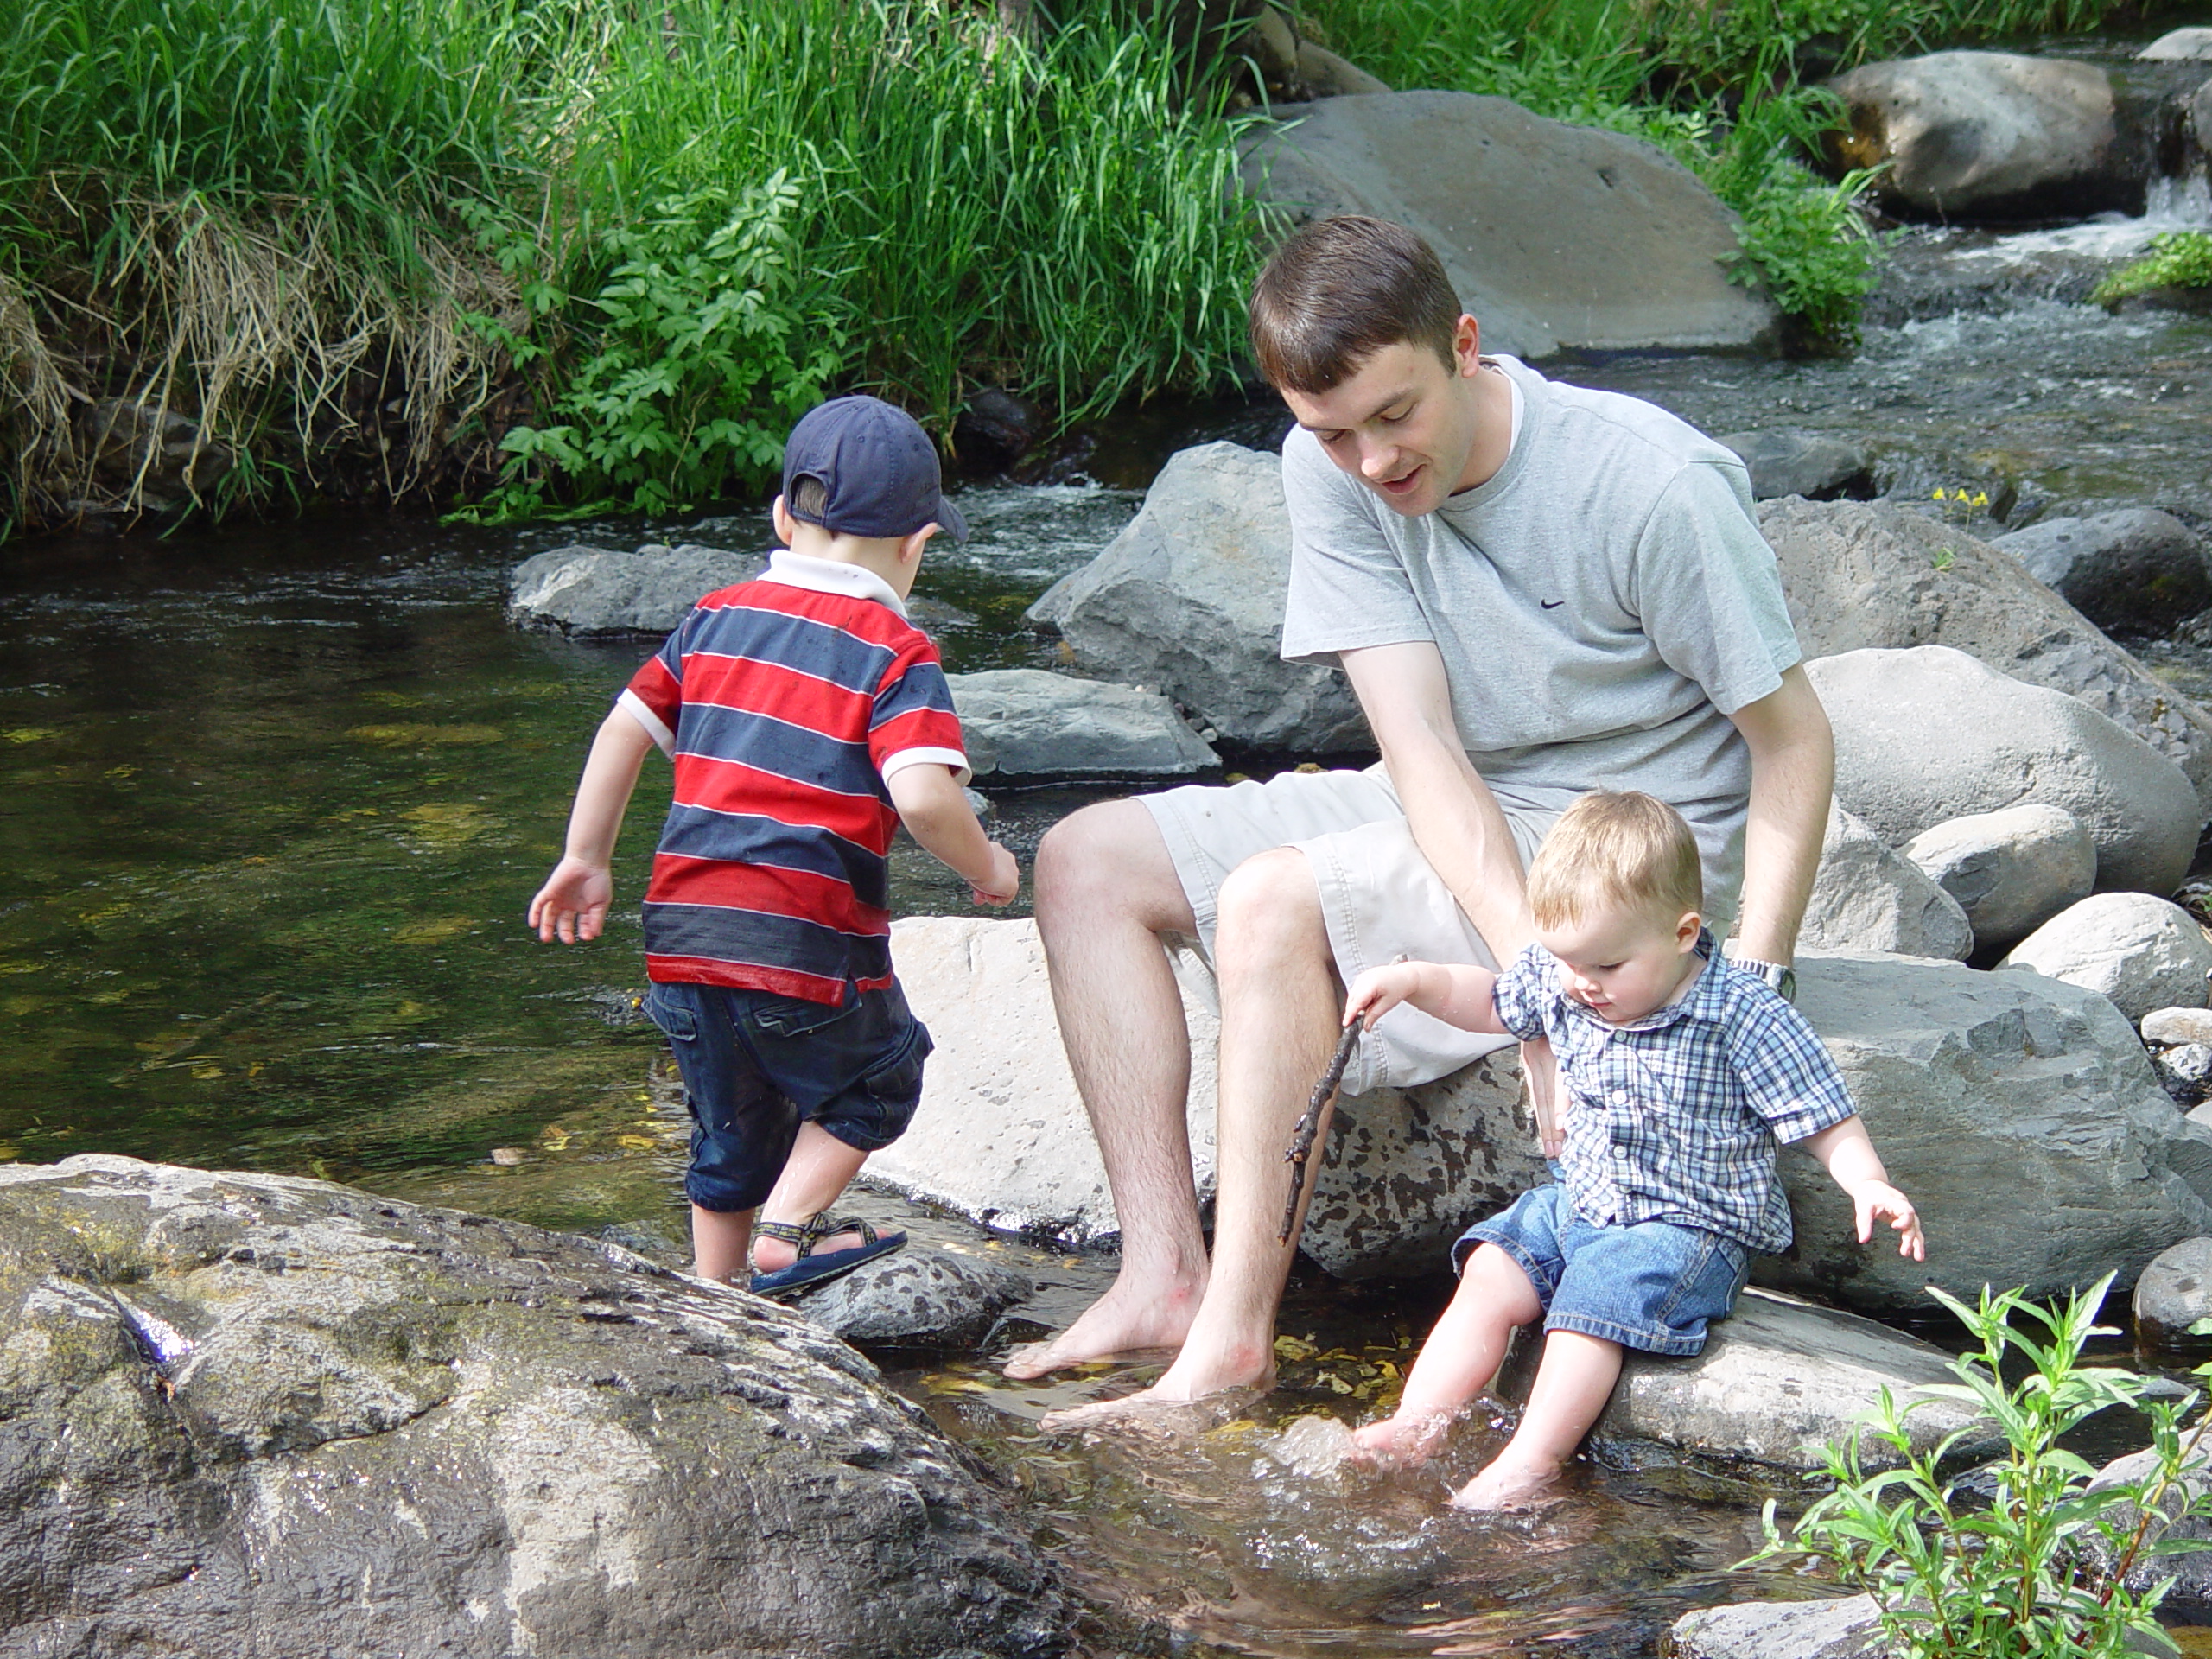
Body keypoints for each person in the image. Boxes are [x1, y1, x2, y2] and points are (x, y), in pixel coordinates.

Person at [1014, 214, 1837, 1422]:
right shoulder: (1332, 466)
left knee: (1271, 900)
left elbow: (1794, 738)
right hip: (1471, 797)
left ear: (1464, 342)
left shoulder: (1649, 483)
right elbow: (1422, 750)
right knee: (1084, 861)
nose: (1372, 462)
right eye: (1331, 430)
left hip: (1637, 842)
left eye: (1396, 414)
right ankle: (1161, 1281)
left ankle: (1231, 1348)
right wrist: (1534, 985)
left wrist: (1746, 978)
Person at [529, 395, 1020, 1295]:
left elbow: (623, 729)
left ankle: (714, 1300)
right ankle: (789, 1232)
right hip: (807, 943)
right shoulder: (895, 647)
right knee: (881, 1077)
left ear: (782, 518)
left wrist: (587, 857)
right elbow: (920, 794)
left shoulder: (713, 617)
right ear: (917, 545)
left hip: (681, 937)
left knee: (727, 1125)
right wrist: (987, 865)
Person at [1340, 791, 1923, 1509]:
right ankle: (1416, 1424)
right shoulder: (1568, 981)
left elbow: (1819, 1114)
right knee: (1493, 1265)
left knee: (1597, 1298)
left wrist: (1868, 1182)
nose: (1582, 984)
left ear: (1683, 932)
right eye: (1566, 962)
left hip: (1688, 1228)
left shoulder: (1740, 1014)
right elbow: (1493, 1001)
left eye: (1608, 966)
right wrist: (1415, 982)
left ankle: (1532, 1460)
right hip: (1582, 1202)